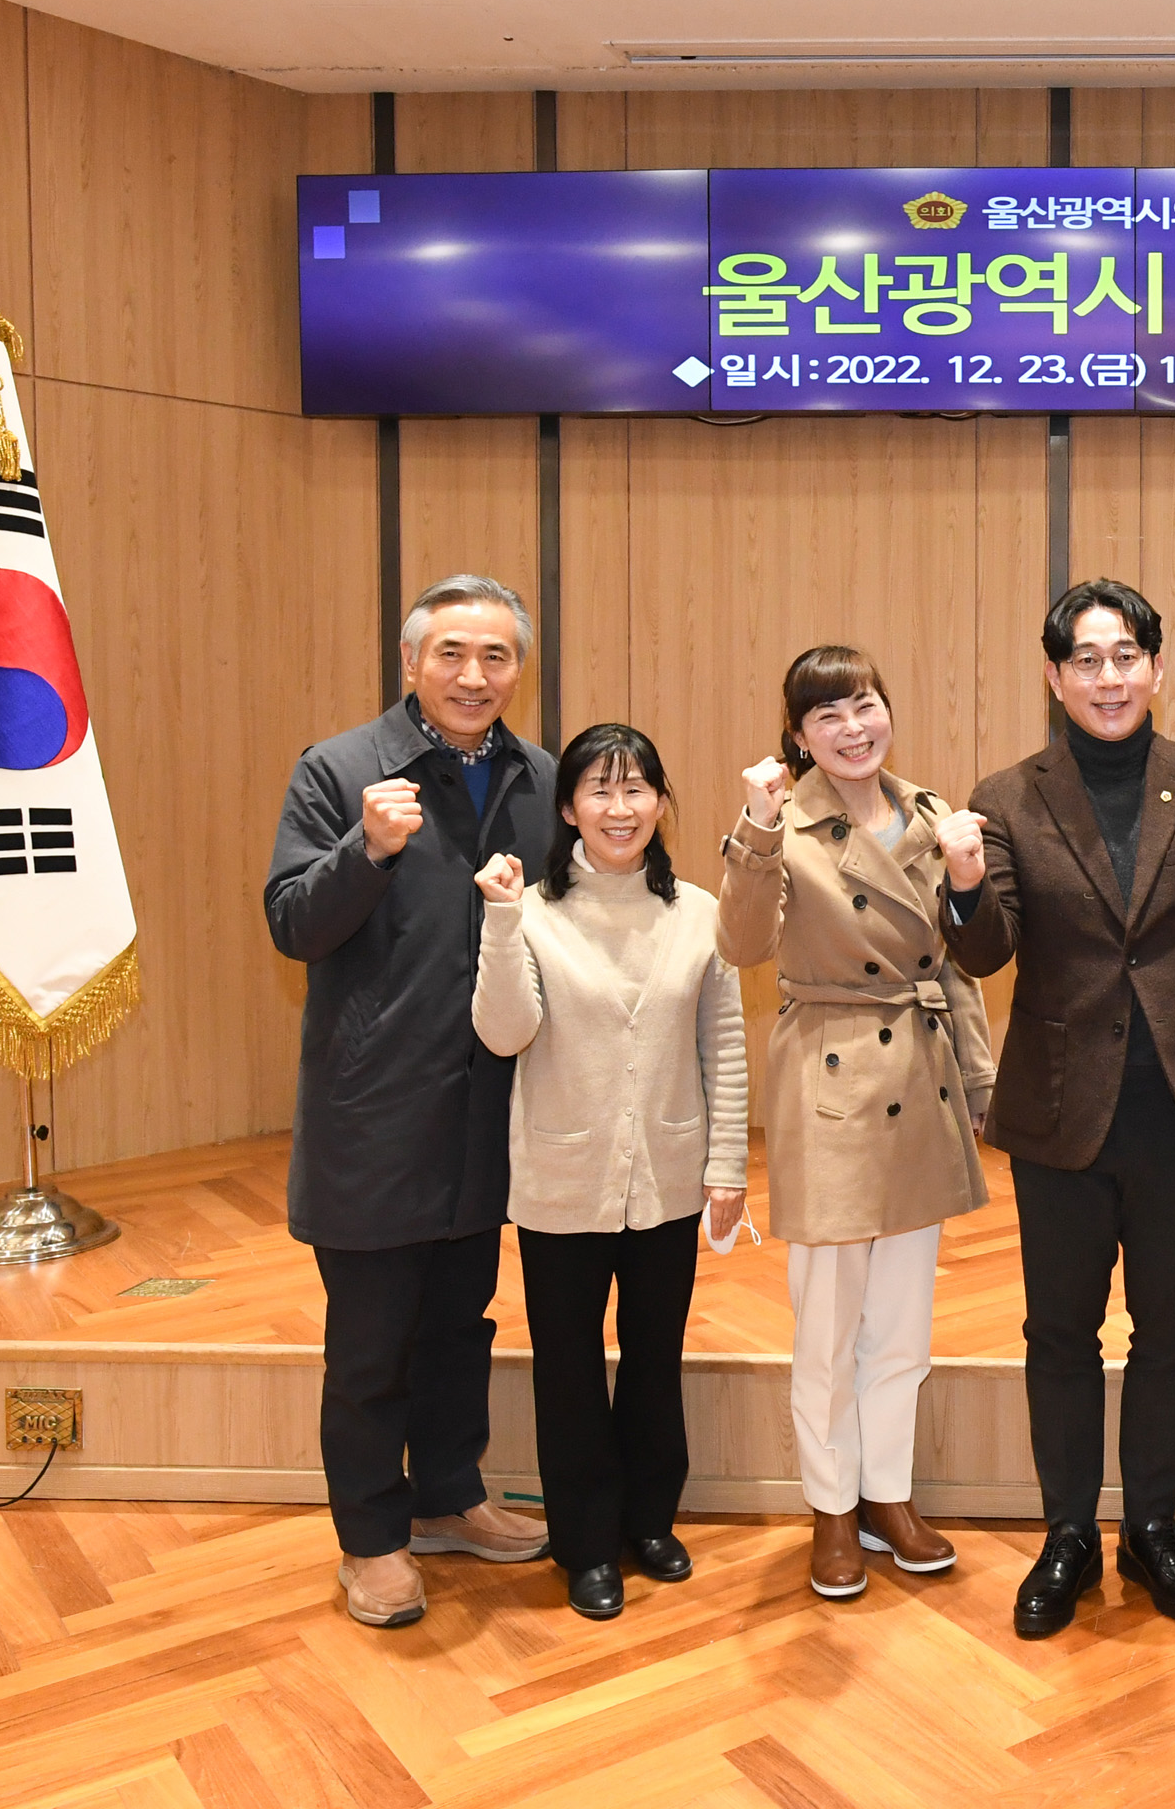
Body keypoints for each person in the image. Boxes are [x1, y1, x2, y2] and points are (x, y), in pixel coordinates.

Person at [942, 580, 1175, 1639]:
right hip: (1059, 1106)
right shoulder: (1008, 794)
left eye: (1126, 655)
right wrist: (961, 882)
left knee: (1173, 1327)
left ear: (1157, 667)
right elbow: (986, 951)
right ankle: (1068, 1533)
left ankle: (1155, 1528)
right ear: (1054, 677)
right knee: (1060, 1330)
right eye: (1085, 659)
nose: (1108, 677)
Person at [264, 574, 559, 1629]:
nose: (474, 675)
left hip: (488, 1110)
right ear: (411, 661)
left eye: (496, 655)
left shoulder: (541, 777)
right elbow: (293, 923)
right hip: (374, 1110)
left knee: (458, 1325)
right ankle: (372, 1540)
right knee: (370, 1344)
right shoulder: (341, 769)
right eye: (452, 653)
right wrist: (368, 849)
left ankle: (448, 1494)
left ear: (519, 667)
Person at [716, 646, 997, 1601]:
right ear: (797, 737)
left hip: (919, 1074)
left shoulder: (931, 815)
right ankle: (831, 1508)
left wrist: (980, 1079)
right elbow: (741, 945)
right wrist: (756, 827)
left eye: (864, 705)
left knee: (903, 1324)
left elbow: (952, 965)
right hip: (829, 1081)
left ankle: (889, 1496)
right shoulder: (782, 823)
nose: (852, 728)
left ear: (887, 711)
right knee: (829, 1324)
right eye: (826, 716)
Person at [472, 724, 748, 1621]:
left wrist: (728, 1164)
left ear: (661, 803)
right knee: (568, 1369)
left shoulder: (699, 912)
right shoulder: (531, 911)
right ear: (568, 807)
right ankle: (586, 1543)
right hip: (561, 1180)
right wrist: (500, 923)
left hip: (669, 1172)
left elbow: (725, 1046)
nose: (619, 808)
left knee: (655, 1358)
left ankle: (648, 1521)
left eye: (636, 790)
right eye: (599, 789)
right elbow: (504, 1034)